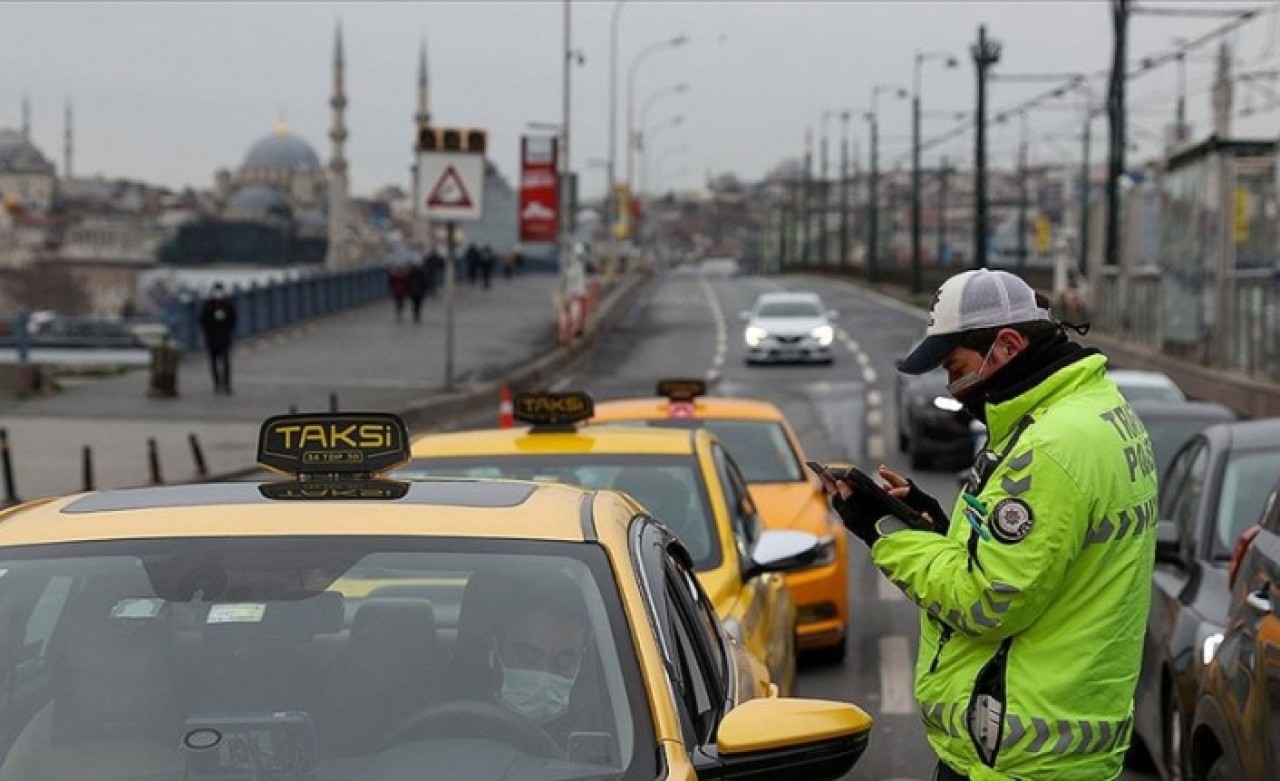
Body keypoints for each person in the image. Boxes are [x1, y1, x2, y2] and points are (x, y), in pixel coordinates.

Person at [818, 269, 1157, 781]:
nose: (952, 387)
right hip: (1069, 740)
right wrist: (939, 528)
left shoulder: (1048, 449)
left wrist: (883, 529)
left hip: (1018, 753)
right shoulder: (1101, 413)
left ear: (1009, 345)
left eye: (956, 368)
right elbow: (1046, 562)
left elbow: (987, 602)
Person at [198, 282, 237, 394]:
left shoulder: (228, 305)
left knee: (225, 361)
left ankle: (227, 384)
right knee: (214, 362)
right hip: (212, 338)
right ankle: (217, 385)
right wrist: (208, 333)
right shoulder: (208, 306)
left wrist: (228, 331)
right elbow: (202, 320)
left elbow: (233, 319)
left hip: (225, 338)